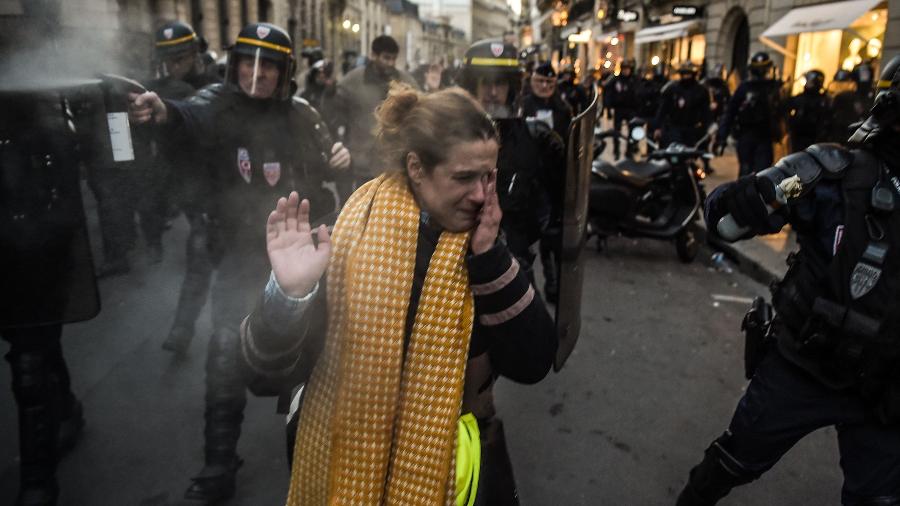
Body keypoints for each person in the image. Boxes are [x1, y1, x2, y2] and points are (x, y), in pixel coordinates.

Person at [238, 83, 557, 506]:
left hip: (451, 480)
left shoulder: (489, 241)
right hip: (335, 461)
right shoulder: (344, 237)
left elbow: (534, 361)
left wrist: (491, 259)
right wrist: (289, 297)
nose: (481, 195)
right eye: (463, 178)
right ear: (417, 168)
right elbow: (260, 375)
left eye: (488, 176)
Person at [127, 22, 351, 503]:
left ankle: (321, 460)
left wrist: (341, 158)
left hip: (301, 257)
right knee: (226, 352)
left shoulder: (302, 114)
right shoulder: (216, 104)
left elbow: (336, 164)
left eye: (268, 65)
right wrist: (163, 110)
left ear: (284, 72)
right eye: (247, 62)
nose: (256, 74)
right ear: (233, 66)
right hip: (240, 254)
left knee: (313, 360)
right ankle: (218, 464)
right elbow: (188, 115)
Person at [676, 54, 900, 506]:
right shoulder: (835, 174)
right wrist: (766, 193)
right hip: (806, 366)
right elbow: (723, 220)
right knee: (734, 460)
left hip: (887, 388)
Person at [2, 83, 97, 506]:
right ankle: (64, 408)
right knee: (35, 342)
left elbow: (73, 156)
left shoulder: (39, 102)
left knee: (30, 355)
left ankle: (37, 482)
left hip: (37, 239)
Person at [457, 39, 566, 301]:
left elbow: (553, 199)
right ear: (472, 85)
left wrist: (557, 158)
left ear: (512, 87)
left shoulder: (532, 137)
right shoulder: (451, 135)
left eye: (501, 83)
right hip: (457, 262)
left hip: (514, 262)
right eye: (485, 82)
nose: (493, 92)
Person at [151, 20, 224, 353]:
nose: (173, 65)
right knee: (200, 259)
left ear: (195, 53)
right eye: (168, 59)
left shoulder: (217, 87)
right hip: (192, 189)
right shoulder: (160, 89)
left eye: (179, 57)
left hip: (223, 187)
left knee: (222, 265)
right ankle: (184, 329)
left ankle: (219, 334)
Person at [333, 35, 418, 202]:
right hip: (361, 165)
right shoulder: (352, 82)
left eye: (394, 59)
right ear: (373, 55)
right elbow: (336, 117)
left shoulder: (406, 82)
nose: (390, 63)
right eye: (386, 58)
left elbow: (421, 113)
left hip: (395, 168)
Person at [716, 51, 784, 176]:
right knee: (746, 171)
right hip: (746, 135)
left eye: (763, 69)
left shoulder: (773, 88)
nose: (761, 73)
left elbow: (780, 113)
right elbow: (730, 112)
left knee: (763, 173)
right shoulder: (745, 88)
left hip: (765, 136)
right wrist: (722, 136)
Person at [654, 62, 711, 148]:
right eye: (684, 74)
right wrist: (658, 127)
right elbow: (662, 109)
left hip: (692, 128)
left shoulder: (701, 91)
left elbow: (705, 111)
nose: (686, 77)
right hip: (674, 127)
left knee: (690, 153)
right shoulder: (672, 89)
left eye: (689, 74)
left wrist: (707, 127)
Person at [520, 61, 573, 142]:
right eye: (540, 81)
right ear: (533, 82)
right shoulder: (523, 105)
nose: (544, 86)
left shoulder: (563, 108)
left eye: (548, 81)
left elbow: (568, 138)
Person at [785, 69, 830, 152]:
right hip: (798, 137)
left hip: (813, 140)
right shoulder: (801, 98)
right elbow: (785, 107)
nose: (806, 83)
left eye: (809, 81)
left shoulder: (823, 101)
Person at [602, 58, 639, 158]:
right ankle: (616, 150)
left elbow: (639, 94)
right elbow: (608, 92)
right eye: (624, 69)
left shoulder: (634, 80)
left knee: (632, 131)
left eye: (628, 69)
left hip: (631, 109)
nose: (626, 71)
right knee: (617, 131)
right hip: (619, 109)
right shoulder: (615, 79)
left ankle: (630, 150)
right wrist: (608, 109)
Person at [828, 68, 873, 144]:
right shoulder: (843, 97)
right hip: (844, 136)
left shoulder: (871, 96)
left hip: (856, 137)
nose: (840, 87)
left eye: (844, 84)